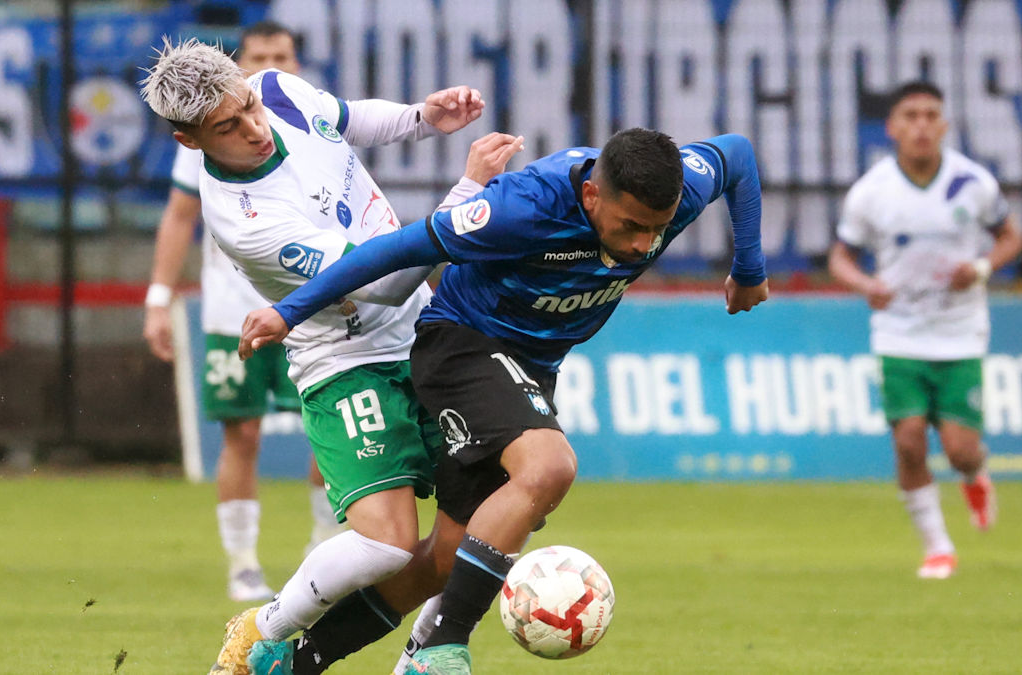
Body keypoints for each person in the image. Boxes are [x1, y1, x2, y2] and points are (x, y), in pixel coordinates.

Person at [239, 126, 770, 674]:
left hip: (532, 370)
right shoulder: (522, 208)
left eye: (656, 231)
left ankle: (295, 662)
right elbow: (398, 249)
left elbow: (738, 152)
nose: (642, 245)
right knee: (549, 467)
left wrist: (748, 265)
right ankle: (442, 647)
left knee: (445, 560)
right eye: (631, 226)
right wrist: (289, 310)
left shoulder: (682, 186)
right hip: (462, 345)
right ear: (592, 196)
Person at [138, 38, 516, 675]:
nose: (256, 128)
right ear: (190, 141)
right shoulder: (245, 219)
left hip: (426, 333)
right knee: (390, 544)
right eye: (229, 127)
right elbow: (385, 281)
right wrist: (467, 192)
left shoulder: (278, 89)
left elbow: (342, 118)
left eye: (250, 106)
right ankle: (265, 625)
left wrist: (421, 118)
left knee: (492, 512)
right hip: (348, 359)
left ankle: (426, 655)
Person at [142, 21, 343, 603]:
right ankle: (242, 563)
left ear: (294, 62)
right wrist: (159, 297)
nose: (270, 62)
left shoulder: (309, 121)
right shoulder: (213, 128)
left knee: (327, 428)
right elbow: (180, 216)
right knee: (242, 434)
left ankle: (322, 548)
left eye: (281, 55)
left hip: (313, 309)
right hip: (234, 310)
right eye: (259, 55)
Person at [829, 81, 1022, 580]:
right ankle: (938, 546)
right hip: (899, 332)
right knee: (910, 441)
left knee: (960, 449)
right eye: (910, 115)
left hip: (960, 331)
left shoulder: (972, 182)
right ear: (892, 126)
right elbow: (841, 256)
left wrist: (980, 269)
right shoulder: (872, 192)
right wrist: (864, 283)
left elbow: (1011, 235)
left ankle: (975, 476)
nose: (920, 125)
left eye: (930, 115)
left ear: (944, 125)